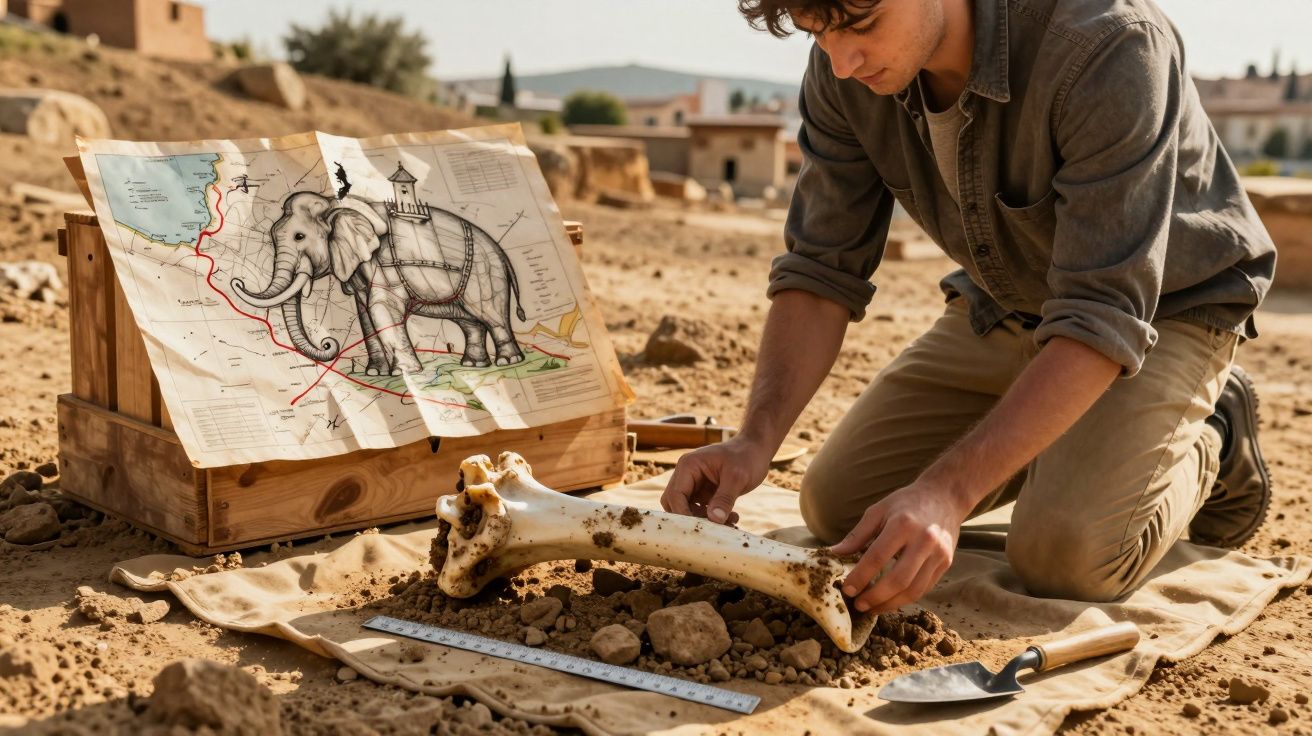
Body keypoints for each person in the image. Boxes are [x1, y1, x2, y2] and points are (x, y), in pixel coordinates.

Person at [662, 0, 1276, 616]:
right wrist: (754, 441)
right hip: (1009, 301)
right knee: (841, 510)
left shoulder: (1111, 46)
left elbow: (1103, 310)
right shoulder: (842, 68)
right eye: (817, 33)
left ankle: (1214, 430)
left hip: (1162, 312)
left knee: (1066, 557)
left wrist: (948, 494)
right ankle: (1073, 443)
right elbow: (822, 268)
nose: (841, 63)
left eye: (862, 27)